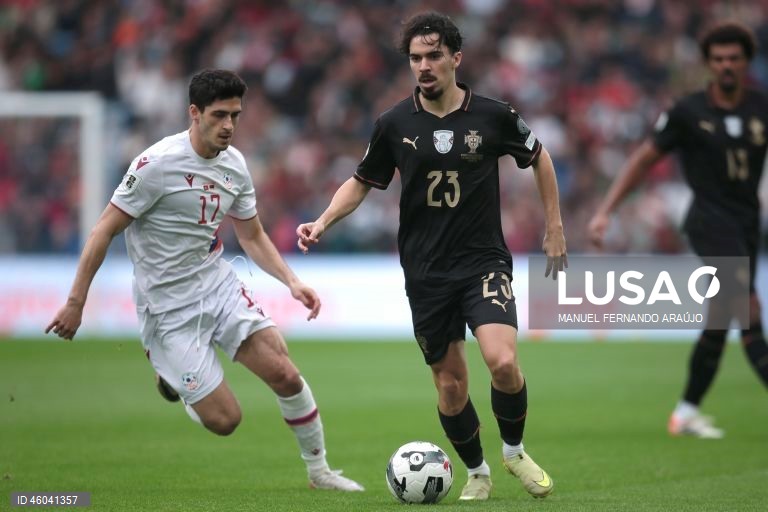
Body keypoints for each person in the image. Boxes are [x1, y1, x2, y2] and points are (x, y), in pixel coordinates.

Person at [45, 69, 364, 492]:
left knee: (285, 372)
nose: (229, 125)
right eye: (219, 115)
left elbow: (251, 235)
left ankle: (320, 472)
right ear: (194, 113)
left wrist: (291, 281)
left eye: (235, 115)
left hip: (216, 283)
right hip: (167, 306)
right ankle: (171, 376)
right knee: (226, 421)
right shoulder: (156, 164)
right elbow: (103, 230)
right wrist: (75, 302)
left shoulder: (235, 165)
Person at [297, 12, 566, 501]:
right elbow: (362, 182)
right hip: (425, 272)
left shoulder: (492, 115)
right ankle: (478, 471)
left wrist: (554, 226)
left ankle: (513, 451)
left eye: (433, 56)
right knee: (450, 387)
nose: (424, 66)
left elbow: (539, 157)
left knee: (503, 362)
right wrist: (322, 220)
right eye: (416, 58)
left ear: (455, 59)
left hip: (483, 262)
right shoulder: (394, 123)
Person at [588, 21, 768, 439]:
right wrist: (605, 211)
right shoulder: (688, 111)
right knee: (750, 311)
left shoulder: (761, 106)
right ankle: (686, 412)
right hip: (708, 221)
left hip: (746, 223)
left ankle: (685, 412)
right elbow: (643, 159)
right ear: (708, 63)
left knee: (722, 319)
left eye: (733, 58)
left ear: (745, 62)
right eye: (718, 59)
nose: (726, 65)